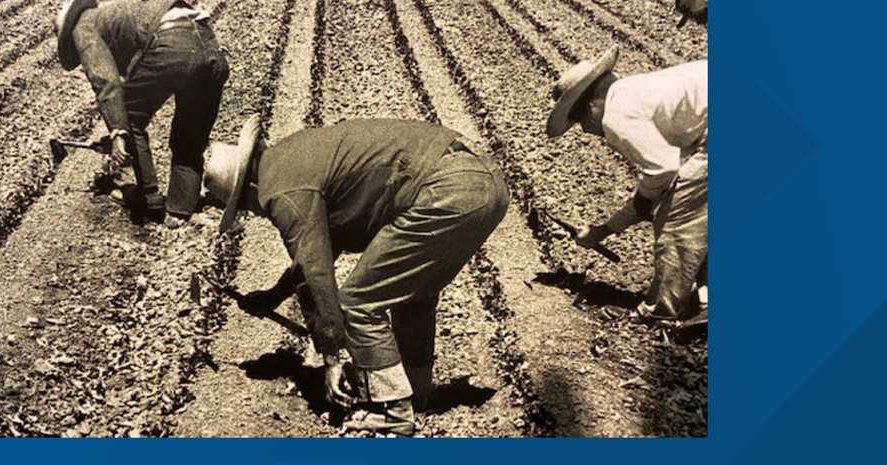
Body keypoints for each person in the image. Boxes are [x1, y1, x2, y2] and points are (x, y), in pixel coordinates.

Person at [203, 116, 509, 436]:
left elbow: (313, 267)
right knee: (412, 294)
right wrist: (275, 295)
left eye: (245, 207)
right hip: (484, 183)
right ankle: (416, 393)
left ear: (250, 188)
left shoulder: (281, 188)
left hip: (446, 190)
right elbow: (326, 243)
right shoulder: (293, 156)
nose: (254, 212)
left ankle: (393, 412)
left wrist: (331, 357)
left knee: (358, 301)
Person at [546, 46, 707, 324]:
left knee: (676, 221)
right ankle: (705, 299)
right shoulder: (633, 91)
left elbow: (663, 171)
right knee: (697, 210)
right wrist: (607, 228)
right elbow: (668, 175)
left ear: (591, 107)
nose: (585, 129)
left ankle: (662, 312)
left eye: (580, 120)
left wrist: (632, 212)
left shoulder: (615, 115)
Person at [54, 0, 229, 225]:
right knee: (190, 134)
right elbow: (138, 77)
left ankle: (150, 200)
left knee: (128, 117)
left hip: (172, 44)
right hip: (208, 43)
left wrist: (119, 131)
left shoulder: (81, 29)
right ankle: (180, 210)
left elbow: (106, 81)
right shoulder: (115, 16)